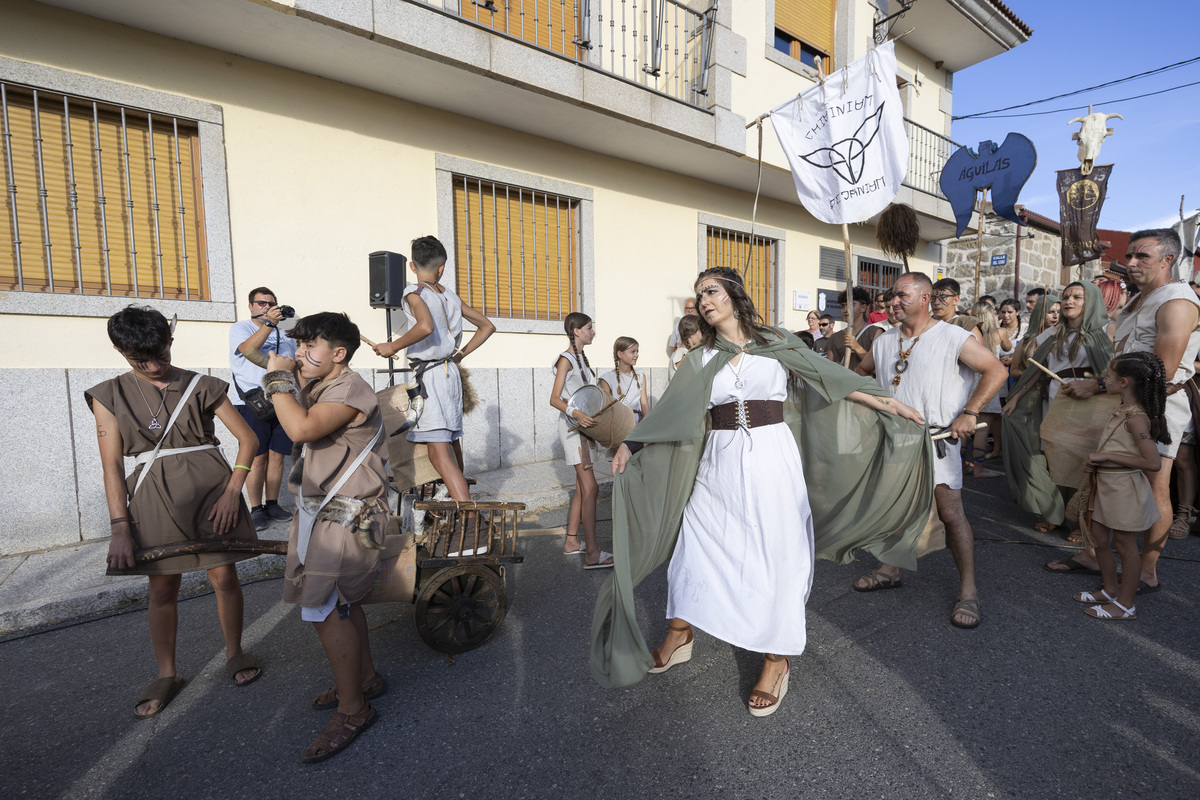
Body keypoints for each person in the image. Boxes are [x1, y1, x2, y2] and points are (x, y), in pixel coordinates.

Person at [592, 267, 933, 714]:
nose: (703, 301)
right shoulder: (698, 357)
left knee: (777, 553)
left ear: (734, 293)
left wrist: (888, 403)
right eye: (698, 295)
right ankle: (680, 632)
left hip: (773, 459)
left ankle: (776, 658)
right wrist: (631, 444)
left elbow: (835, 380)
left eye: (711, 291)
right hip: (718, 461)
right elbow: (671, 410)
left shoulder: (775, 343)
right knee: (697, 545)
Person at [88, 306, 262, 718]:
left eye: (161, 353)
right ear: (121, 351)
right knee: (162, 587)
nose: (154, 365)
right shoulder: (107, 394)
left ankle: (235, 652)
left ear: (170, 341)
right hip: (152, 496)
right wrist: (119, 527)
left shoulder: (203, 384)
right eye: (140, 359)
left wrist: (232, 492)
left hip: (213, 493)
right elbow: (111, 465)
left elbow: (248, 439)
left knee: (224, 576)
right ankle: (167, 673)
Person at [265, 312, 388, 763]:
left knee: (324, 608)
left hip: (344, 518)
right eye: (297, 347)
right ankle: (366, 677)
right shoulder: (325, 384)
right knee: (340, 604)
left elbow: (299, 429)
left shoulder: (350, 389)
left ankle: (354, 709)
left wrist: (278, 379)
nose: (299, 354)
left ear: (338, 353)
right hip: (325, 513)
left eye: (308, 347)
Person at [853, 273, 1008, 629]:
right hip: (894, 439)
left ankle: (968, 591)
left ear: (925, 299)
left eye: (902, 295)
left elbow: (995, 370)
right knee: (896, 509)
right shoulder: (884, 340)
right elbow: (861, 374)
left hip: (937, 440)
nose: (893, 301)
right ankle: (890, 569)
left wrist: (970, 412)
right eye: (891, 296)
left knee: (951, 515)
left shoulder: (954, 336)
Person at [1049, 229, 1200, 591]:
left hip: (1157, 406)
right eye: (1129, 256)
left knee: (1154, 486)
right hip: (1124, 401)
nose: (1131, 263)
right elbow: (1124, 360)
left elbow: (1160, 371)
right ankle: (1092, 553)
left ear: (1168, 260)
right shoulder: (1138, 300)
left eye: (1142, 256)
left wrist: (1097, 385)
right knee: (1103, 477)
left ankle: (1146, 571)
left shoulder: (1177, 301)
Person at [372, 236, 496, 551]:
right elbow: (486, 326)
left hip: (430, 376)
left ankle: (470, 524)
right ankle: (460, 505)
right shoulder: (450, 295)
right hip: (448, 373)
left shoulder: (412, 292)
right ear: (441, 268)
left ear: (412, 266)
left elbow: (425, 326)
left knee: (438, 453)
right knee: (451, 446)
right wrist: (460, 354)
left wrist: (393, 346)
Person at [1003, 282, 1112, 540]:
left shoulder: (1107, 331)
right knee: (1057, 458)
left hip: (1092, 400)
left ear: (1092, 301)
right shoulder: (1052, 334)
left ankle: (1081, 520)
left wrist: (1094, 387)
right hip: (1056, 398)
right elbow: (1035, 371)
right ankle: (1057, 513)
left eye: (1077, 297)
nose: (1068, 301)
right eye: (1065, 297)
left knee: (1083, 460)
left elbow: (1113, 371)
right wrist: (1015, 397)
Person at [1074, 352, 1169, 620]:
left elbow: (1152, 462)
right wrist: (1095, 463)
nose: (1105, 379)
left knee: (1126, 546)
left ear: (1124, 382)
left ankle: (1126, 604)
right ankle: (1109, 588)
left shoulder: (1137, 418)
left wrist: (1106, 457)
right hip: (1105, 484)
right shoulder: (1121, 408)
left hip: (1124, 488)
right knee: (1099, 539)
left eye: (1109, 376)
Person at [230, 286, 297, 529]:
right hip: (252, 402)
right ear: (250, 306)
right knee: (256, 458)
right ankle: (255, 508)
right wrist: (268, 324)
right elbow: (246, 349)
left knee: (277, 456)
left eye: (271, 303)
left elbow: (293, 366)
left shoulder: (285, 334)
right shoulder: (241, 328)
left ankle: (272, 503)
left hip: (282, 399)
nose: (266, 307)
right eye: (261, 303)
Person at [549, 312, 612, 568]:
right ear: (575, 331)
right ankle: (593, 554)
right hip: (574, 430)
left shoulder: (581, 359)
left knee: (582, 488)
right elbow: (554, 399)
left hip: (583, 429)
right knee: (591, 488)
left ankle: (572, 542)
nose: (592, 332)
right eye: (588, 328)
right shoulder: (565, 359)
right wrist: (576, 414)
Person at [964, 301, 1004, 478]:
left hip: (969, 383)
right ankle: (979, 469)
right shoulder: (998, 333)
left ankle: (963, 466)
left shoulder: (969, 333)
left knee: (965, 430)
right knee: (982, 429)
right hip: (988, 383)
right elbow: (1008, 347)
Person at [826, 287, 885, 372]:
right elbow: (829, 370)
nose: (845, 310)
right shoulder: (834, 338)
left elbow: (878, 370)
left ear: (863, 308)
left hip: (866, 384)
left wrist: (857, 347)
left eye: (851, 305)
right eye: (843, 306)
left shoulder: (876, 332)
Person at [600, 336, 650, 422]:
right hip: (617, 424)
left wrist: (649, 424)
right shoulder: (607, 378)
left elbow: (644, 405)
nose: (636, 355)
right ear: (620, 354)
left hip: (636, 423)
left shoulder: (640, 376)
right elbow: (605, 409)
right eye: (633, 352)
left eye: (637, 352)